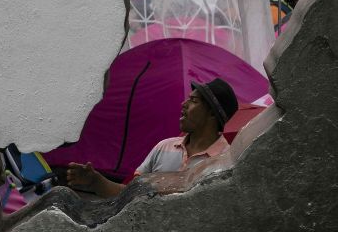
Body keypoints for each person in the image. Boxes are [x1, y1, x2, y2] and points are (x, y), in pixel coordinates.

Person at [66, 78, 239, 198]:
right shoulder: (163, 148)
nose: (183, 104)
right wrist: (97, 182)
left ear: (211, 114)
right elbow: (131, 194)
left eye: (193, 101)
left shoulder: (226, 162)